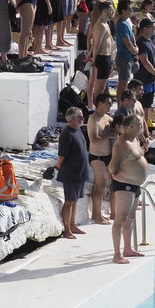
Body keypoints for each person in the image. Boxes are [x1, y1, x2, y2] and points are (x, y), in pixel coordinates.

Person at [108, 114, 149, 264]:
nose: (141, 126)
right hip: (124, 184)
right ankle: (117, 254)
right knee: (120, 219)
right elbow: (113, 166)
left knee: (130, 218)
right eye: (139, 124)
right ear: (130, 126)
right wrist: (112, 173)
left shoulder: (135, 140)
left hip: (134, 185)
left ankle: (127, 249)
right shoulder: (122, 144)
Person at [54, 108, 90, 239]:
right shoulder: (66, 133)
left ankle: (72, 225)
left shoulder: (78, 130)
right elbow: (62, 155)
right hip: (71, 173)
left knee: (75, 201)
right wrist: (57, 165)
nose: (82, 119)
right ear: (72, 118)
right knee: (69, 201)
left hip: (80, 172)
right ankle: (67, 229)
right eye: (80, 117)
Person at [87, 93, 117, 224]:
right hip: (97, 156)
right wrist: (109, 135)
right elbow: (94, 139)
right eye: (108, 103)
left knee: (105, 185)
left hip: (107, 156)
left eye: (111, 104)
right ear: (99, 104)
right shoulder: (93, 119)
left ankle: (103, 213)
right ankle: (97, 215)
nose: (110, 106)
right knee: (99, 186)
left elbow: (117, 130)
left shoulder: (108, 118)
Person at [114, 0, 138, 97]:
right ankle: (120, 104)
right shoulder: (121, 24)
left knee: (125, 83)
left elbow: (132, 40)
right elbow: (128, 44)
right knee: (122, 85)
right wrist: (135, 51)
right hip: (124, 59)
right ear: (123, 11)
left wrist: (135, 47)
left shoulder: (126, 23)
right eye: (130, 9)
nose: (131, 11)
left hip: (128, 58)